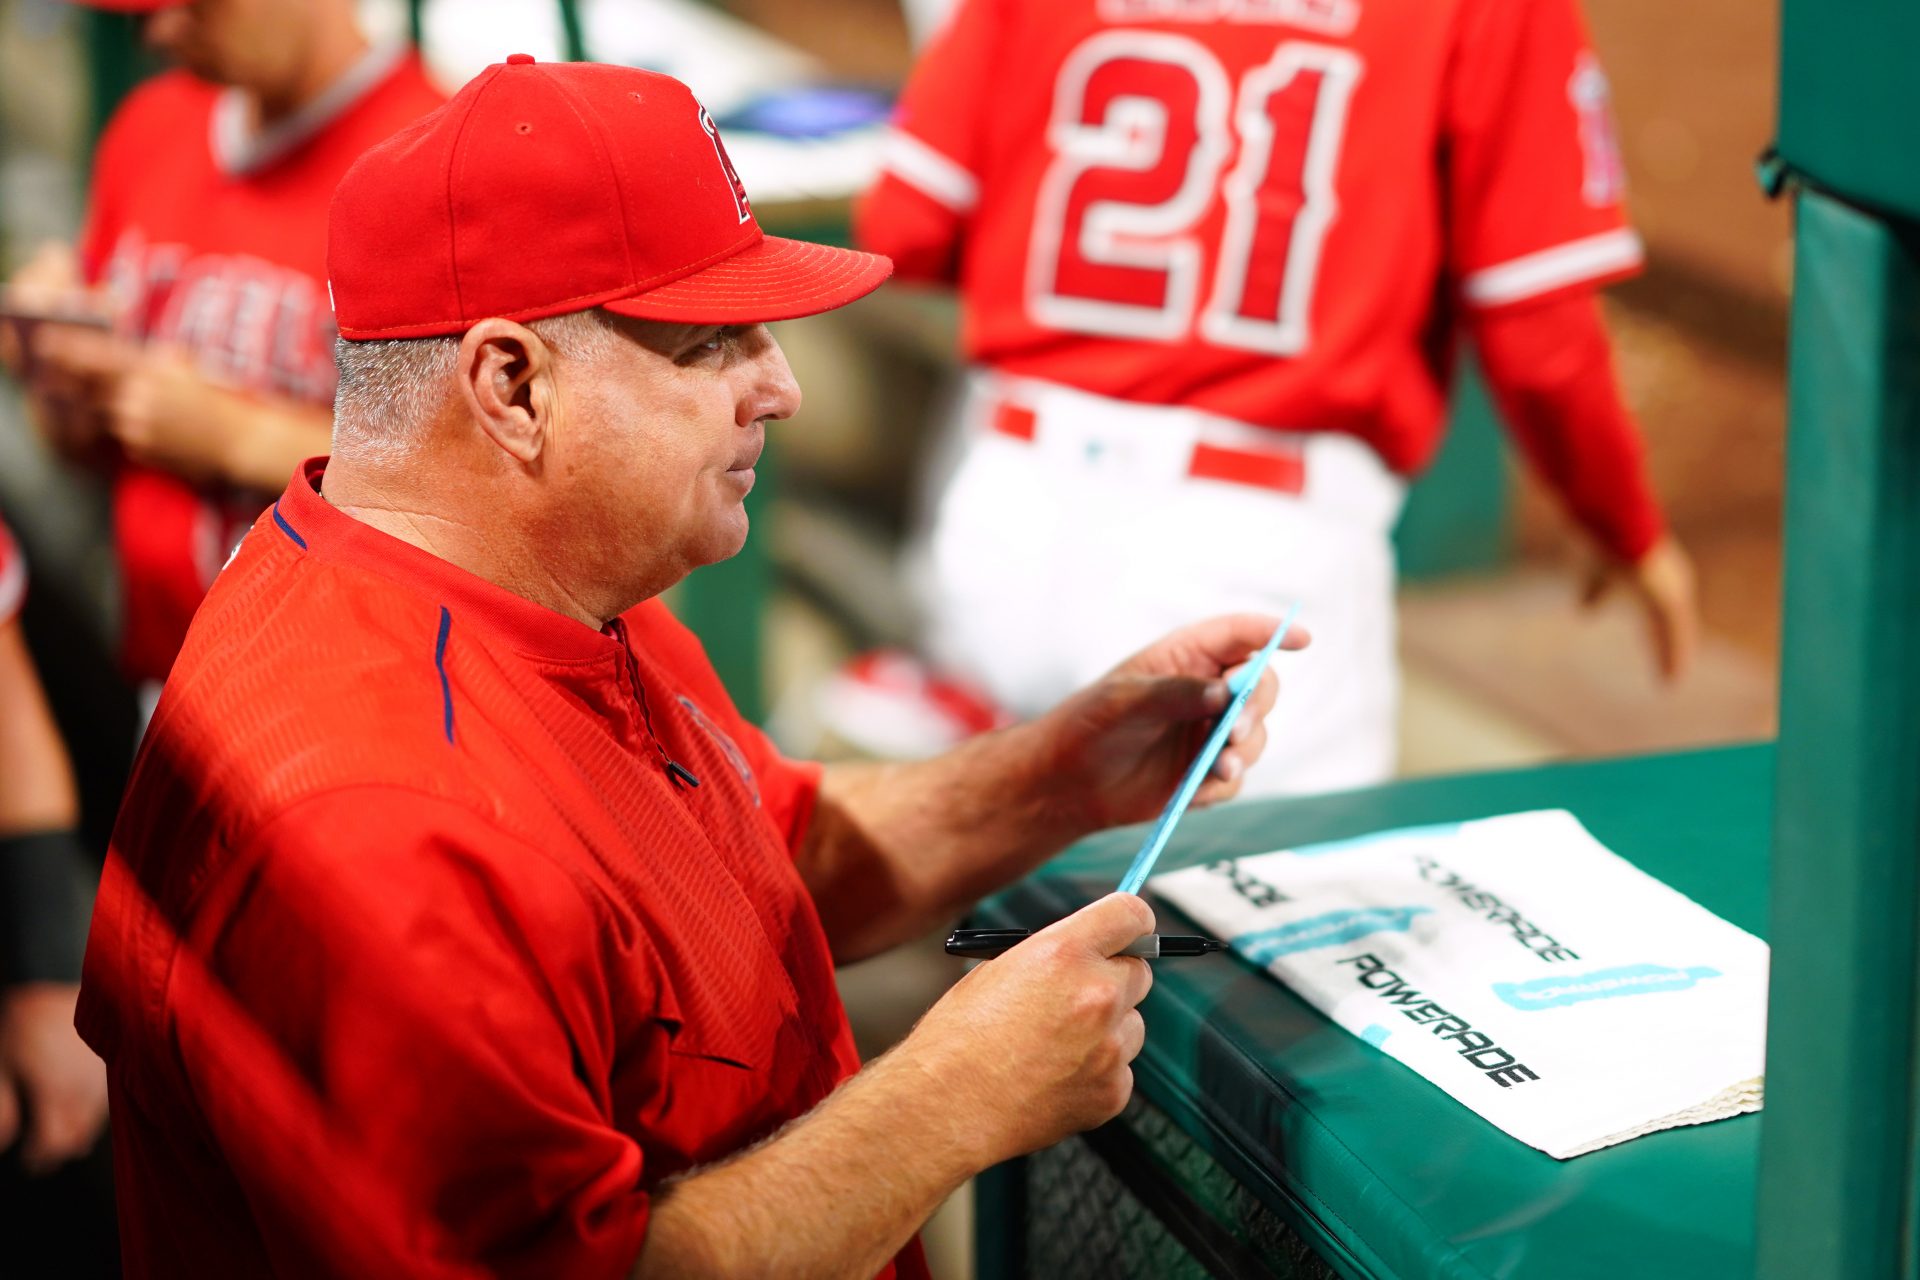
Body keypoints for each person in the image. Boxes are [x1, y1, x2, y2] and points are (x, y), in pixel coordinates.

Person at [76, 57, 1305, 1278]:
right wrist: (953, 1098)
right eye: (715, 338)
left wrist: (1064, 773)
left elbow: (763, 862)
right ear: (513, 383)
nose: (782, 387)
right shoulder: (379, 831)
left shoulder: (539, 578)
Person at [855, 0, 1701, 796]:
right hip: (1249, 553)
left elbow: (906, 228)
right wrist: (1624, 523)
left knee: (1016, 926)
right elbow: (1540, 337)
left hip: (1005, 519)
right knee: (1260, 935)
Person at [1, 0, 443, 693]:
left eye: (189, 4)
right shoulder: (152, 125)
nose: (162, 32)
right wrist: (61, 375)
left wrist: (231, 432)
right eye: (136, 19)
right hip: (164, 670)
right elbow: (81, 449)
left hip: (353, 694)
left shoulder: (438, 158)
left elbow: (459, 483)